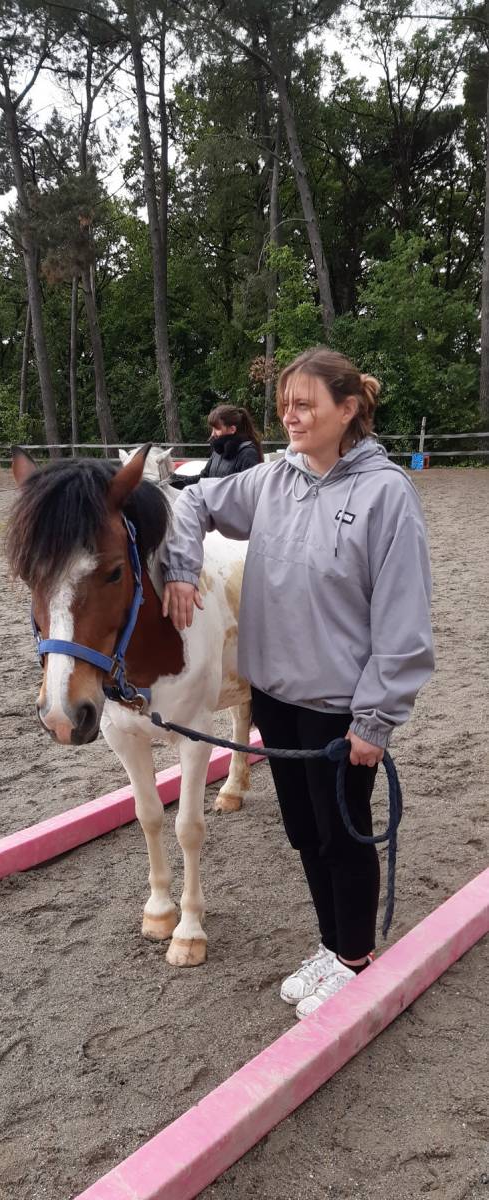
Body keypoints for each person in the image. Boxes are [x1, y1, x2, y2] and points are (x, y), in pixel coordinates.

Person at [160, 346, 434, 1019]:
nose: (290, 415)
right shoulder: (271, 480)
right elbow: (189, 504)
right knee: (305, 833)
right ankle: (332, 944)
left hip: (341, 708)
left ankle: (354, 958)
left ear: (348, 409)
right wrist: (180, 569)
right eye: (286, 403)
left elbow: (403, 621)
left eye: (305, 403)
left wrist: (376, 719)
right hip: (274, 700)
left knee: (344, 836)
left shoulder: (385, 495)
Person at [169, 403, 263, 489]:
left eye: (217, 429)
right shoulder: (219, 450)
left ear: (232, 429)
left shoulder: (247, 453)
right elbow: (203, 479)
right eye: (212, 428)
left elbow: (248, 491)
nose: (213, 434)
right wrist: (173, 480)